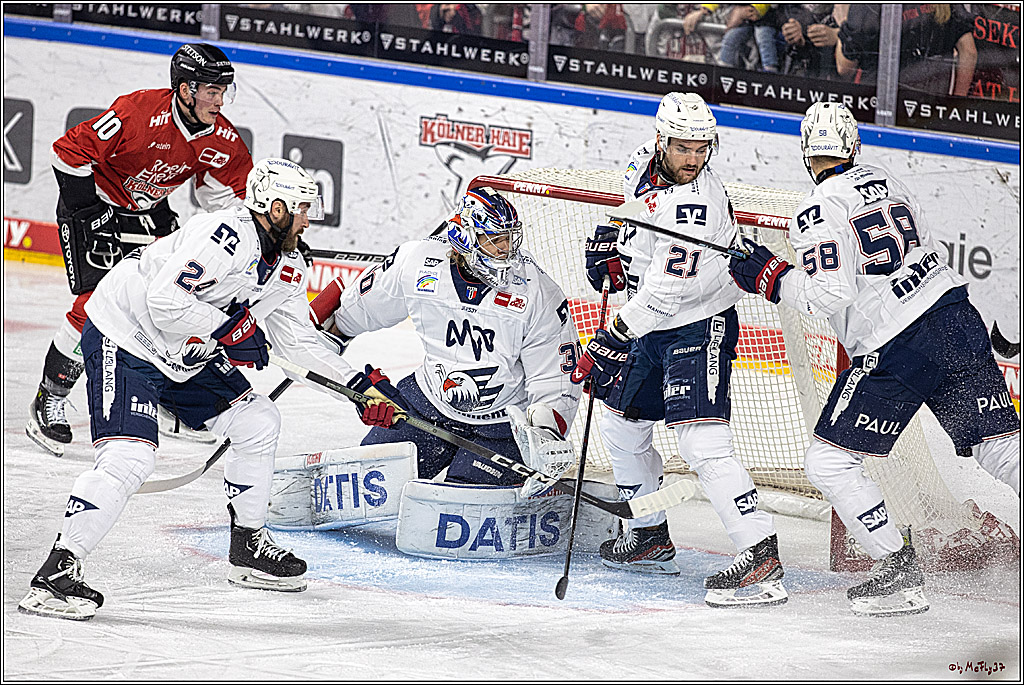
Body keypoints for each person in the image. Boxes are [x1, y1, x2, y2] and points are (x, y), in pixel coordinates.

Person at [17, 158, 401, 621]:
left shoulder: (288, 267)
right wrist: (228, 328)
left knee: (257, 420)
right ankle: (56, 574)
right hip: (127, 336)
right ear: (275, 208)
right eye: (301, 209)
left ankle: (248, 546)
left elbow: (298, 342)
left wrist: (356, 387)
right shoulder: (223, 235)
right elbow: (164, 301)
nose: (307, 219)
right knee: (129, 459)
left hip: (182, 353)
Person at [729, 102, 1020, 616]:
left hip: (899, 346)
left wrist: (771, 277)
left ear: (807, 153)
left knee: (828, 462)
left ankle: (896, 568)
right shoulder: (889, 181)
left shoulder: (814, 210)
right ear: (854, 147)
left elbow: (829, 294)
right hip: (954, 315)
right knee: (999, 447)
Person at [572, 92, 787, 608]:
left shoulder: (696, 206)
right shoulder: (640, 161)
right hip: (653, 325)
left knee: (701, 443)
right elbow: (632, 205)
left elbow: (665, 293)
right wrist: (612, 239)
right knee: (621, 424)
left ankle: (759, 553)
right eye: (684, 148)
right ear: (660, 142)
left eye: (702, 149)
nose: (694, 159)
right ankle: (648, 533)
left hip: (697, 324)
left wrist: (609, 339)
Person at [28, 43, 254, 457]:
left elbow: (231, 198)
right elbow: (67, 153)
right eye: (211, 91)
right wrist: (88, 213)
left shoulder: (221, 137)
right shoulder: (139, 112)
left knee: (170, 300)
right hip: (94, 205)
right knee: (93, 305)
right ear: (185, 90)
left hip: (149, 213)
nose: (220, 101)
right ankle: (50, 397)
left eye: (224, 91)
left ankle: (163, 397)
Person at [308, 187, 583, 491]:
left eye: (509, 238)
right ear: (465, 238)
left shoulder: (537, 291)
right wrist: (323, 344)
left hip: (501, 427)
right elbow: (358, 311)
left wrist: (544, 439)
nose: (506, 249)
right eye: (494, 239)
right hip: (427, 406)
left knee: (462, 507)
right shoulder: (416, 262)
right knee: (363, 485)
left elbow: (556, 378)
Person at [836, 3, 977, 95]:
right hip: (931, 109)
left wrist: (843, 23)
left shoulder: (866, 6)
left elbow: (845, 68)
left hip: (878, 107)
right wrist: (956, 102)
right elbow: (969, 52)